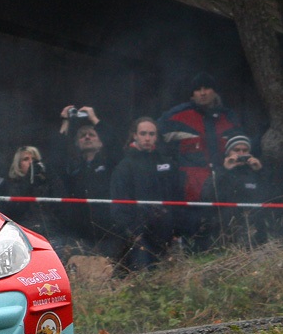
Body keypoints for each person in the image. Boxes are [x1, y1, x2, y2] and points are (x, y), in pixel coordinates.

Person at [157, 72, 245, 250]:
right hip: (190, 192)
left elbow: (242, 147)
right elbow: (155, 141)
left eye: (207, 88)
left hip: (224, 190)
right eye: (198, 89)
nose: (203, 93)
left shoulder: (229, 118)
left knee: (224, 239)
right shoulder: (175, 116)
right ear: (192, 94)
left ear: (215, 91)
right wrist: (173, 167)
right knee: (192, 240)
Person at [110, 117, 180, 271]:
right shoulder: (124, 166)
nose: (147, 138)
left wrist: (177, 230)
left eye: (151, 134)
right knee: (143, 273)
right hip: (139, 234)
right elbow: (120, 204)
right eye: (143, 133)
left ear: (156, 137)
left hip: (166, 231)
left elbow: (177, 197)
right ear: (134, 135)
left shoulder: (167, 163)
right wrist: (133, 233)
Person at [58, 106, 122, 257]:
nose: (87, 137)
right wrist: (66, 121)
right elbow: (57, 156)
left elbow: (115, 145)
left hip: (107, 231)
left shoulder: (110, 163)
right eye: (82, 136)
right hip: (79, 232)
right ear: (77, 143)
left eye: (92, 135)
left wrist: (94, 119)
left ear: (101, 142)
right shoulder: (73, 167)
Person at [201, 135, 269, 246]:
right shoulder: (219, 171)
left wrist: (260, 171)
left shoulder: (255, 172)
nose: (241, 154)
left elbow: (271, 195)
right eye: (236, 150)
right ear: (228, 153)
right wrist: (224, 170)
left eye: (245, 150)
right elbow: (207, 195)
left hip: (252, 228)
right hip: (224, 228)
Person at [0, 146, 66, 245]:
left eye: (34, 160)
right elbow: (14, 210)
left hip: (51, 232)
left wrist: (50, 176)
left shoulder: (48, 183)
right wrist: (28, 180)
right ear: (18, 165)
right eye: (26, 159)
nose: (31, 163)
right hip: (25, 233)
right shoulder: (11, 184)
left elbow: (61, 206)